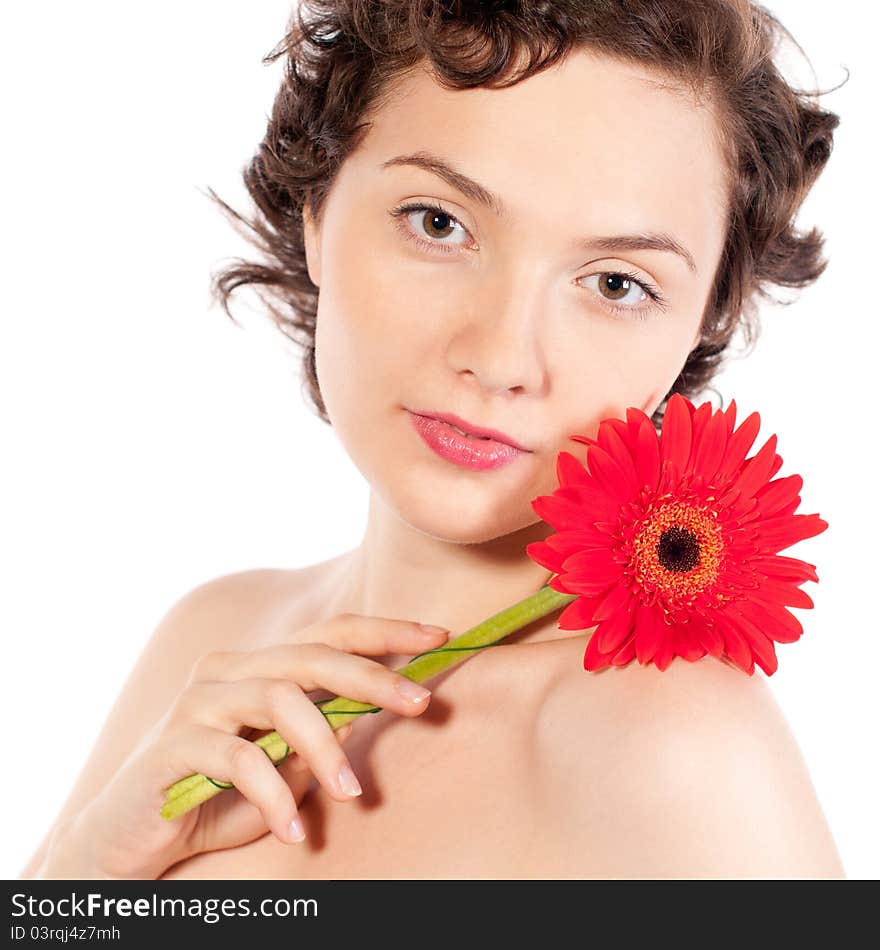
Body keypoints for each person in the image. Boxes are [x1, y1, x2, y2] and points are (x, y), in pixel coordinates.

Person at [22, 0, 846, 879]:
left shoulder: (675, 745)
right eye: (439, 223)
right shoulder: (213, 642)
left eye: (616, 282)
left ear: (700, 322)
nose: (499, 358)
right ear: (316, 207)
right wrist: (88, 871)